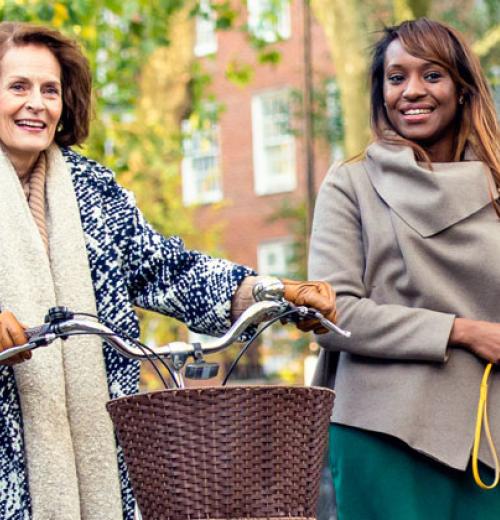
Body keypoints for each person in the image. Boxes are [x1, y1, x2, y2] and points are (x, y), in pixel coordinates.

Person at [0, 21, 337, 520]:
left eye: (50, 90)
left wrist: (273, 292)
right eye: (18, 87)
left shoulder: (92, 188)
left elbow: (168, 270)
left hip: (102, 452)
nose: (38, 103)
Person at [309, 17, 500, 520]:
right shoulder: (350, 184)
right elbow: (332, 313)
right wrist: (462, 331)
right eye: (397, 78)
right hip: (382, 431)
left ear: (462, 89)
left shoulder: (496, 184)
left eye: (432, 75)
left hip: (491, 435)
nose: (412, 91)